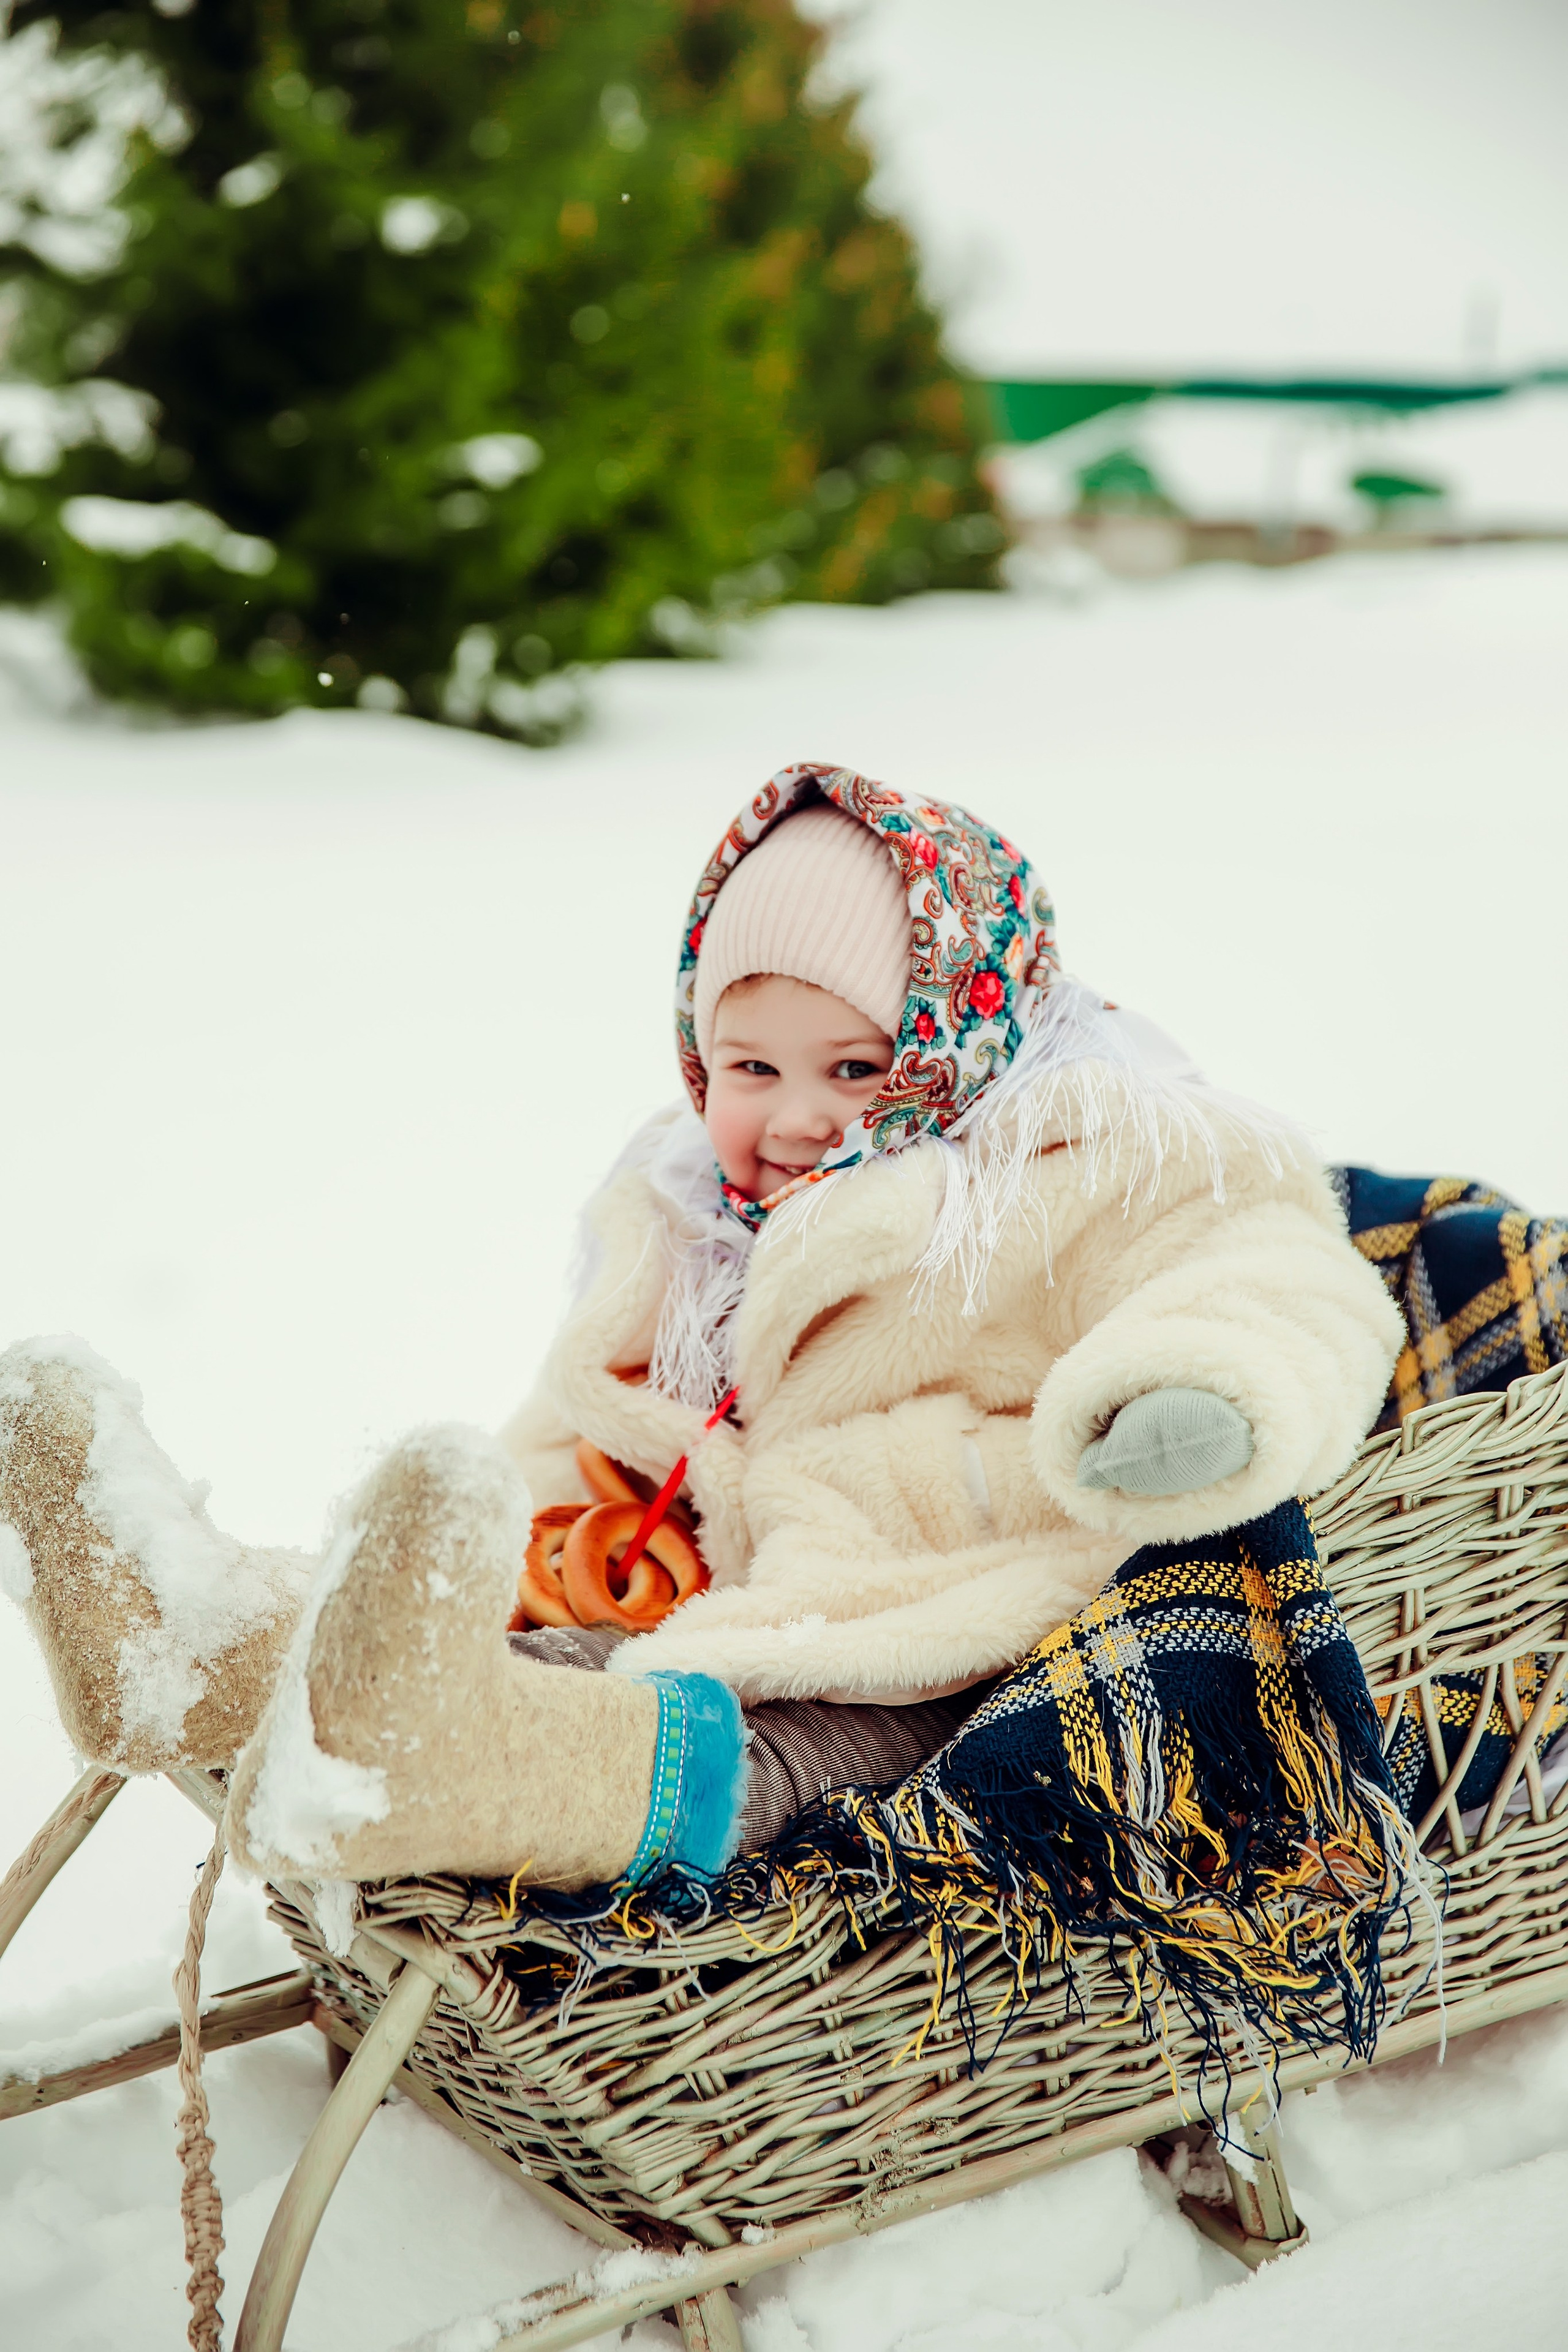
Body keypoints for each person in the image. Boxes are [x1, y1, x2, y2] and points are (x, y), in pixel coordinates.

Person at [0, 763, 1404, 1899]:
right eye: (749, 1068)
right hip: (710, 1595)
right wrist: (504, 1553)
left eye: (855, 1068)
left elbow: (1269, 1279)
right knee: (502, 1661)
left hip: (950, 1628)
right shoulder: (690, 1216)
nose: (794, 1113)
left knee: (755, 1755)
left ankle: (447, 1770)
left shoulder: (1087, 1163)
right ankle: (207, 1647)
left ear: (951, 1045)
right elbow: (592, 1416)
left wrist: (1189, 1393)